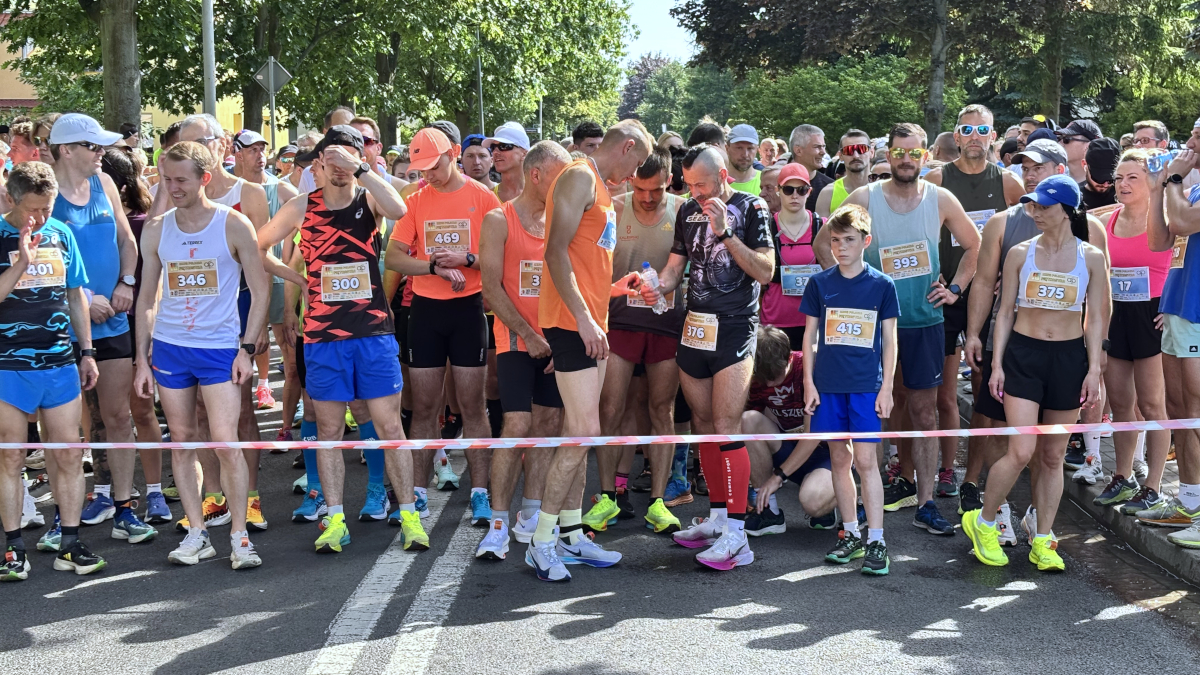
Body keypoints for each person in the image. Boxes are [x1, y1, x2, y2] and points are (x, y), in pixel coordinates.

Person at [257, 124, 426, 553]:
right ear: (317, 163)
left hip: (372, 331)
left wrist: (362, 169)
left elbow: (399, 209)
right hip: (323, 336)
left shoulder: (370, 198)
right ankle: (335, 519)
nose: (337, 167)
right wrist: (296, 277)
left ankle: (409, 515)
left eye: (345, 159)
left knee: (389, 426)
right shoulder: (301, 206)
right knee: (330, 428)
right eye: (330, 158)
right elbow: (258, 246)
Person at [823, 122, 980, 536]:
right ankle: (874, 497)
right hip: (874, 329)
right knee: (876, 412)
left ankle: (926, 503)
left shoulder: (940, 198)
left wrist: (956, 289)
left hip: (924, 322)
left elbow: (975, 245)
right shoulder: (865, 198)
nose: (906, 160)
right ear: (887, 155)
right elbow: (825, 243)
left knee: (925, 413)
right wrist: (848, 288)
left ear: (925, 156)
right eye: (898, 153)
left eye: (913, 153)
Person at [526, 119, 653, 582]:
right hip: (571, 324)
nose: (634, 174)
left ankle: (570, 532)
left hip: (589, 322)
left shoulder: (598, 185)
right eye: (637, 163)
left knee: (581, 431)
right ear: (627, 146)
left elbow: (584, 260)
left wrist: (616, 289)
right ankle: (541, 542)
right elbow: (554, 251)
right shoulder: (579, 175)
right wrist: (582, 320)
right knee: (583, 431)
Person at [132, 141, 269, 569]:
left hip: (219, 348)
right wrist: (142, 359)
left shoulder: (233, 224)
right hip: (171, 347)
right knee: (182, 441)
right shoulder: (156, 229)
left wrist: (247, 348)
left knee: (226, 443)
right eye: (165, 179)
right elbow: (147, 298)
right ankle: (197, 532)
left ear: (204, 178)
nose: (172, 188)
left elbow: (260, 289)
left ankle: (240, 536)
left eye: (181, 180)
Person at [963, 174, 1109, 572]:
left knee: (1053, 456)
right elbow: (1004, 312)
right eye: (1032, 205)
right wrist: (997, 364)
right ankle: (985, 522)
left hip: (1069, 358)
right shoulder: (1019, 253)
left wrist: (1094, 369)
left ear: (1067, 210)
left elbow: (1096, 318)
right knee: (1021, 450)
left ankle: (1044, 539)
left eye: (1044, 206)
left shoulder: (1092, 257)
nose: (1035, 212)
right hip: (1023, 356)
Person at [647, 144, 775, 570]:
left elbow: (765, 271)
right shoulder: (687, 210)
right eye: (689, 185)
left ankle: (738, 534)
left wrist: (724, 232)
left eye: (701, 185)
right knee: (703, 425)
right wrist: (656, 286)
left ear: (723, 175)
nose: (695, 193)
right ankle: (718, 518)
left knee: (725, 425)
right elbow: (674, 268)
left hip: (735, 326)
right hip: (695, 326)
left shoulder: (752, 207)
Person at [386, 126, 499, 526]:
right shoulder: (415, 201)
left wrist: (466, 260)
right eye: (421, 170)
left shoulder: (483, 197)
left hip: (468, 310)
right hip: (426, 312)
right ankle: (417, 492)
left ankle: (481, 493)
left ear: (452, 154)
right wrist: (432, 266)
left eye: (433, 167)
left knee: (473, 406)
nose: (428, 176)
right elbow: (394, 258)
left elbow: (499, 258)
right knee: (423, 407)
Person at [48, 114, 153, 545]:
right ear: (66, 150)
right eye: (93, 146)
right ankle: (62, 517)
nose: (101, 154)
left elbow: (127, 241)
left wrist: (126, 283)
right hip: (61, 325)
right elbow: (38, 259)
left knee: (118, 417)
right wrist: (85, 298)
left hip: (112, 320)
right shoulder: (45, 192)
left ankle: (124, 509)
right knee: (62, 430)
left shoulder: (105, 183)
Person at [168, 115, 272, 531]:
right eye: (183, 144)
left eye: (201, 142)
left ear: (222, 144)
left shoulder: (248, 193)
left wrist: (258, 328)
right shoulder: (174, 192)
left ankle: (250, 498)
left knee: (239, 410)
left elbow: (261, 263)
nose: (191, 150)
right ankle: (213, 497)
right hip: (188, 314)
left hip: (237, 306)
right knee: (195, 411)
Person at [0, 162, 104, 581]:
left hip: (59, 362)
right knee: (11, 458)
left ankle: (70, 543)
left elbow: (76, 294)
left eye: (48, 207)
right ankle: (13, 550)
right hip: (8, 365)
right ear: (11, 199)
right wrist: (21, 262)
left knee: (69, 454)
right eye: (33, 209)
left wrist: (87, 352)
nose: (41, 217)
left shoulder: (61, 233)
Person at [475, 141, 572, 559]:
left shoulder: (564, 220)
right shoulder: (499, 219)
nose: (566, 185)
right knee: (516, 425)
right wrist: (528, 335)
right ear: (536, 175)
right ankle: (497, 523)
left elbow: (572, 282)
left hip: (556, 340)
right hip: (516, 340)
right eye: (559, 176)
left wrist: (560, 341)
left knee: (549, 426)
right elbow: (490, 287)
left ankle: (530, 516)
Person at [923, 104, 1023, 500]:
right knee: (944, 393)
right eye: (967, 129)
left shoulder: (1009, 182)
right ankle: (946, 469)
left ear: (994, 136)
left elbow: (1028, 235)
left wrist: (1007, 273)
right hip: (946, 294)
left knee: (984, 388)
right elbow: (920, 232)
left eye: (983, 130)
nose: (975, 136)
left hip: (989, 299)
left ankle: (972, 478)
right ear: (957, 136)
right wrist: (930, 274)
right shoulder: (936, 179)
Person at [798, 204, 899, 574]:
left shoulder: (882, 285)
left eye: (849, 240)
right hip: (828, 387)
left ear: (866, 242)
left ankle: (877, 540)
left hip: (865, 388)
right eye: (836, 240)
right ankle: (851, 533)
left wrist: (886, 388)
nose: (841, 247)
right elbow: (809, 336)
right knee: (840, 460)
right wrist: (808, 382)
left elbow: (890, 341)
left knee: (867, 462)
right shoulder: (819, 284)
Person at [591, 146, 684, 534]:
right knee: (612, 408)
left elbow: (684, 267)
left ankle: (659, 501)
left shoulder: (682, 210)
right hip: (621, 321)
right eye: (641, 189)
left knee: (661, 409)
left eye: (656, 190)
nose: (647, 198)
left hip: (667, 322)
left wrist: (662, 287)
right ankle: (607, 496)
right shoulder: (613, 208)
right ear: (631, 181)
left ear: (669, 182)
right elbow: (596, 266)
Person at [1085, 150, 1171, 516]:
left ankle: (1154, 485)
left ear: (1152, 181)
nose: (1123, 184)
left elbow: (1187, 264)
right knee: (1121, 403)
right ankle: (1122, 477)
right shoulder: (1107, 221)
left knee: (1153, 405)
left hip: (1153, 315)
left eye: (1132, 177)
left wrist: (1173, 305)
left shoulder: (1167, 219)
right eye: (1119, 178)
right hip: (1117, 315)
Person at [100, 148, 169, 525]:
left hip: (138, 329)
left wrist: (151, 334)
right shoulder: (93, 222)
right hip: (101, 329)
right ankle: (107, 494)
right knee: (106, 417)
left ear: (120, 187)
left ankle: (155, 491)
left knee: (141, 410)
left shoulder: (142, 225)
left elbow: (153, 286)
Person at [1143, 123, 1200, 548]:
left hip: (1197, 312)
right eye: (1193, 135)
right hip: (1178, 306)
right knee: (1179, 409)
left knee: (1196, 411)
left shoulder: (1186, 188)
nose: (1191, 144)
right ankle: (1190, 501)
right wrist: (1157, 189)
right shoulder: (1190, 190)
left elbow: (1181, 221)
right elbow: (1160, 239)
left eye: (1199, 137)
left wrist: (1175, 178)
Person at [232, 129, 301, 444]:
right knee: (237, 352)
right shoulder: (228, 189)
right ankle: (241, 418)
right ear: (237, 153)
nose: (260, 155)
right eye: (252, 150)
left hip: (274, 279)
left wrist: (293, 266)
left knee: (290, 353)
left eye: (262, 149)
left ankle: (290, 422)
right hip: (235, 284)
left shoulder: (280, 188)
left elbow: (307, 221)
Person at [742, 326, 838, 536]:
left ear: (788, 358)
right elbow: (751, 430)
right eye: (763, 378)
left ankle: (838, 494)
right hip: (790, 447)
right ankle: (768, 511)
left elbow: (811, 436)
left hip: (827, 453)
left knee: (812, 501)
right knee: (748, 420)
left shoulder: (810, 369)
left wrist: (778, 476)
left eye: (775, 376)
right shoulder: (757, 376)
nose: (769, 383)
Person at [761, 163, 821, 350]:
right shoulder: (765, 227)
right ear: (778, 191)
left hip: (813, 321)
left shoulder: (822, 227)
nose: (795, 195)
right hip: (774, 323)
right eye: (788, 189)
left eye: (801, 190)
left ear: (809, 192)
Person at [815, 130, 872, 218]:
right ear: (840, 156)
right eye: (848, 150)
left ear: (871, 153)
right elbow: (822, 227)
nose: (856, 156)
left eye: (861, 149)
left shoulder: (884, 189)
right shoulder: (828, 193)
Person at [788, 124, 832, 211]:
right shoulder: (774, 182)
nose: (823, 152)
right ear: (798, 150)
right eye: (817, 147)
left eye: (823, 146)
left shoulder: (830, 187)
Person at [485, 122, 530, 203]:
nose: (495, 152)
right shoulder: (486, 198)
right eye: (493, 147)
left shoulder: (542, 195)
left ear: (524, 153)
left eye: (504, 146)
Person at [1080, 137, 1119, 212]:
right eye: (1099, 178)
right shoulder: (1075, 198)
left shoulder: (1124, 193)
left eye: (1111, 179)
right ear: (1084, 165)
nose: (1105, 184)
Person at [726, 124, 761, 195]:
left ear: (757, 150)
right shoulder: (716, 182)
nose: (745, 154)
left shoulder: (765, 183)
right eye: (739, 148)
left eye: (750, 148)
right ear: (727, 149)